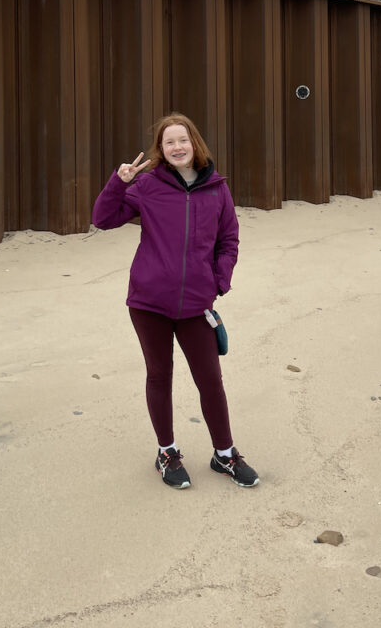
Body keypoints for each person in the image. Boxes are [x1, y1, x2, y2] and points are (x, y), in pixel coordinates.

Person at [91, 112, 259, 490]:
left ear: (194, 144)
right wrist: (118, 184)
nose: (177, 147)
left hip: (196, 304)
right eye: (169, 142)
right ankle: (166, 452)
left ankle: (225, 454)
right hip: (149, 302)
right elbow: (103, 219)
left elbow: (228, 240)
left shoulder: (217, 189)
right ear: (161, 151)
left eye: (183, 140)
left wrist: (218, 282)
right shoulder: (147, 186)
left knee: (210, 381)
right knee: (159, 375)